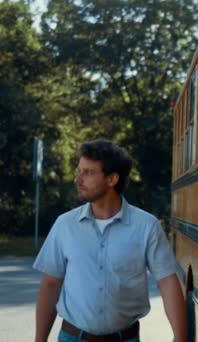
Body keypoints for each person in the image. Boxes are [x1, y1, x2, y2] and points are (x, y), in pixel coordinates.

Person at [33, 139, 186, 342]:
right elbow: (51, 284)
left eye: (88, 173)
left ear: (112, 179)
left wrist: (180, 337)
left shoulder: (146, 226)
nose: (78, 180)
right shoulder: (65, 225)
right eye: (80, 171)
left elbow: (168, 282)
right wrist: (39, 339)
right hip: (73, 337)